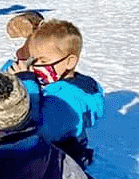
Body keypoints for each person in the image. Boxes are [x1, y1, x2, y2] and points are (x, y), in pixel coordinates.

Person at [19, 18, 104, 166]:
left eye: (43, 62)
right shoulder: (56, 84)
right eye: (33, 61)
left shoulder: (68, 98)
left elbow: (36, 128)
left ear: (70, 62)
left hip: (56, 165)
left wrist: (26, 84)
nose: (36, 66)